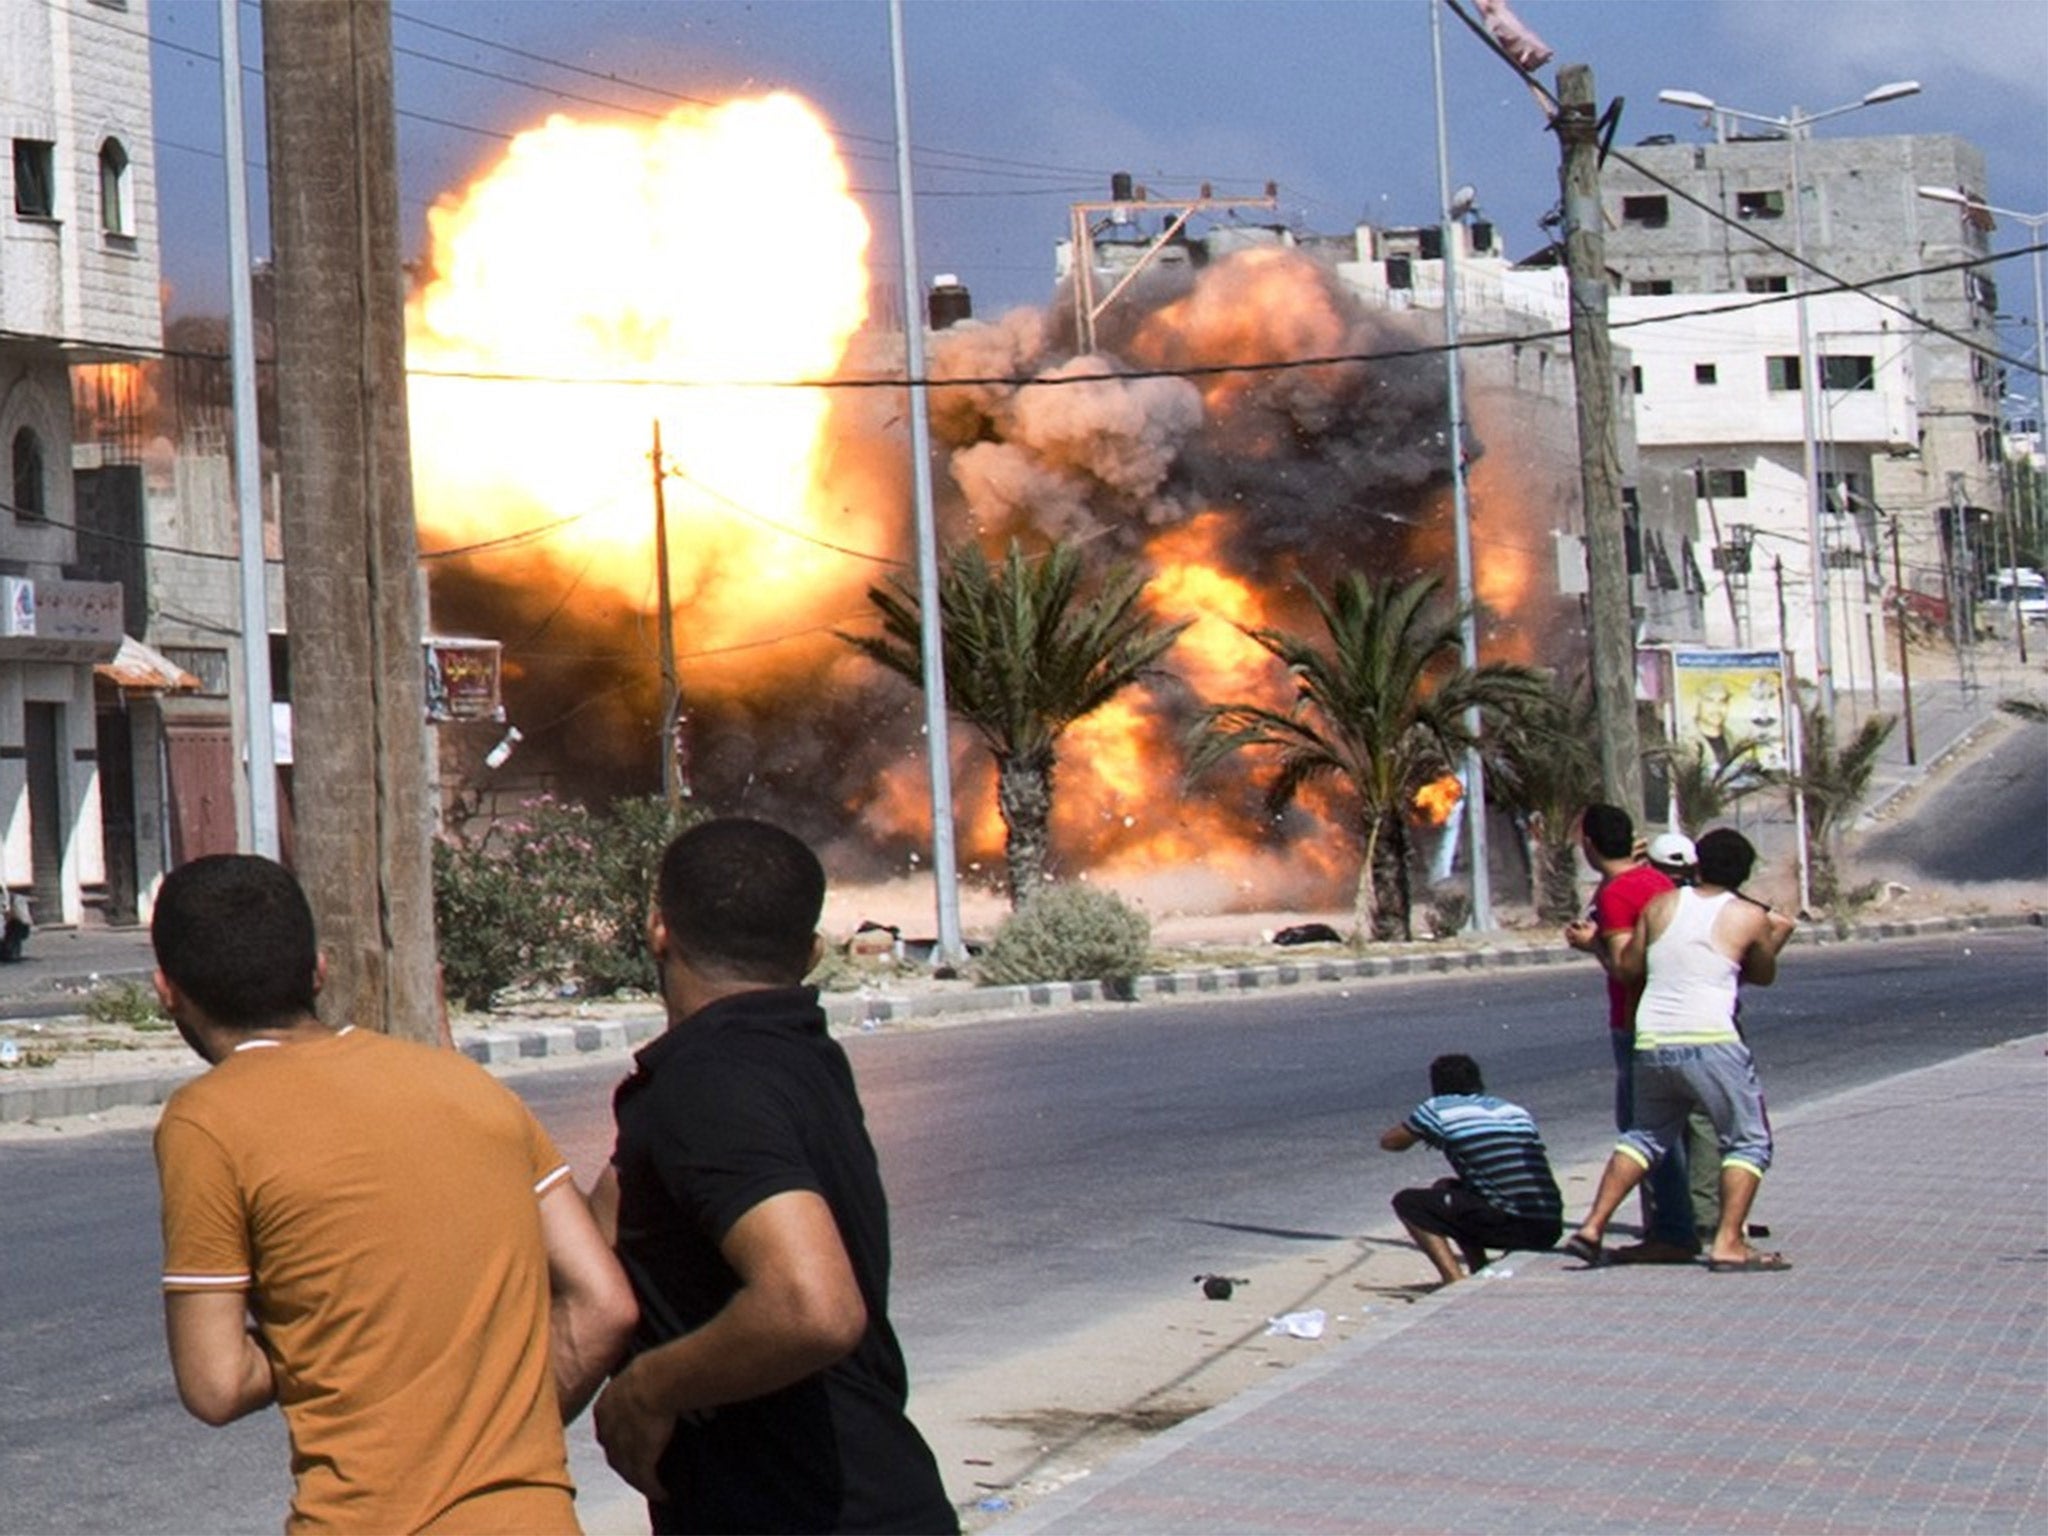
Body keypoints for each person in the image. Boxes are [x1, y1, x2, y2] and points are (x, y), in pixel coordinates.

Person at [149, 854, 637, 1533]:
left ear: (167, 991)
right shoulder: (474, 1090)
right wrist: (487, 1425)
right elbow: (605, 1303)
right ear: (319, 969)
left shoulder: (207, 1121)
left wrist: (321, 1334)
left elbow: (216, 1381)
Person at [591, 818, 956, 1535]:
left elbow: (813, 1307)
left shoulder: (711, 1084)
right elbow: (603, 1228)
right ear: (813, 953)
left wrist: (648, 1387)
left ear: (659, 930)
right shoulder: (787, 1056)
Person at [1563, 827, 1800, 1274]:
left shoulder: (1660, 906)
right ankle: (1728, 1242)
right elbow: (1762, 973)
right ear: (1745, 873)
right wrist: (1771, 938)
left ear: (1697, 865)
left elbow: (1630, 967)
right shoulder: (1747, 914)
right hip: (1711, 1039)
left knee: (1645, 1135)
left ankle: (1593, 1226)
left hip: (1652, 1037)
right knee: (1748, 1140)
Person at [1562, 803, 1700, 1264]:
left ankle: (1673, 1232)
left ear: (1589, 845)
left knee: (1643, 1133)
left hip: (1637, 1022)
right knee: (1667, 1130)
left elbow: (1625, 970)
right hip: (1675, 1018)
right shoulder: (1656, 883)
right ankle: (1673, 1226)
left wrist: (1592, 945)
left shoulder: (1619, 895)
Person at [1379, 1053, 1563, 1285]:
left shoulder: (1438, 1109)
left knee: (1408, 1202)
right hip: (1550, 1225)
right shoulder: (1513, 1110)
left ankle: (1453, 1280)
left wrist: (1426, 1133)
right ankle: (1479, 1268)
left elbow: (1391, 1143)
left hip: (1512, 1225)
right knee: (1446, 1187)